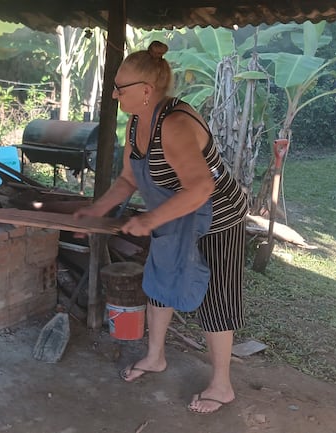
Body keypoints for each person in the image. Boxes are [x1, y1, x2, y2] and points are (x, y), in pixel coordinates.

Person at [74, 41, 248, 414]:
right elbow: (127, 179)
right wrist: (97, 210)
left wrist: (150, 219)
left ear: (146, 91)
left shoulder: (176, 124)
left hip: (216, 219)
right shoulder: (137, 120)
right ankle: (155, 357)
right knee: (159, 281)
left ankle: (222, 384)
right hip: (175, 214)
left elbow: (202, 187)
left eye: (120, 89)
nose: (115, 94)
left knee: (216, 297)